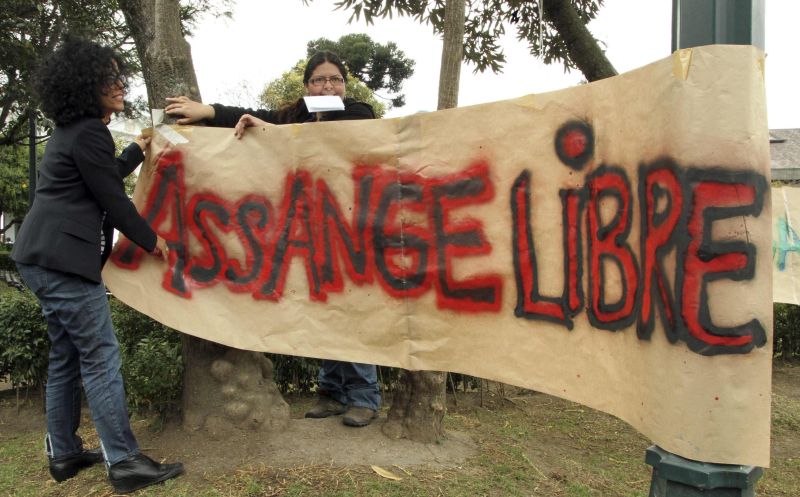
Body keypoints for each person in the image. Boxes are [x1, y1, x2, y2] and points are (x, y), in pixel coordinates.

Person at [165, 51, 381, 428]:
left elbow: (324, 140)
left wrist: (269, 129)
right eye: (319, 80)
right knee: (323, 311)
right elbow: (246, 115)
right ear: (307, 86)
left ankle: (364, 397)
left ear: (345, 86)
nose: (328, 86)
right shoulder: (295, 116)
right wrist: (208, 111)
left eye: (335, 79)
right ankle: (331, 392)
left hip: (349, 233)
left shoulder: (358, 112)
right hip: (311, 233)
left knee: (350, 313)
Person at [11, 37, 184, 494]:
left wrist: (136, 151)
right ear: (84, 84)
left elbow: (100, 177)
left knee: (67, 355)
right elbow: (112, 198)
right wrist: (152, 240)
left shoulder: (73, 132)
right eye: (109, 77)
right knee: (100, 355)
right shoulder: (89, 131)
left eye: (119, 75)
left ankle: (64, 453)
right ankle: (124, 461)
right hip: (64, 261)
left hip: (40, 256)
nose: (120, 84)